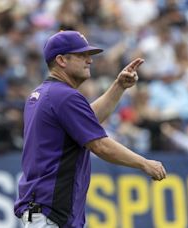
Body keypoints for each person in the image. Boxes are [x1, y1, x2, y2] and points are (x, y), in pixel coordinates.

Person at [14, 30, 167, 228]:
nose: (89, 61)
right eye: (81, 55)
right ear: (61, 60)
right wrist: (144, 163)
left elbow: (87, 122)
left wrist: (118, 86)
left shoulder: (43, 93)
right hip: (51, 212)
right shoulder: (65, 96)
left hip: (45, 211)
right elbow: (100, 145)